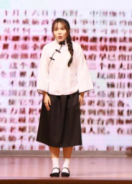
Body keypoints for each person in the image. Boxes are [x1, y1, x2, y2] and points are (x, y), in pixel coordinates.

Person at [37, 18, 93, 178]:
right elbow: (43, 72)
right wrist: (45, 94)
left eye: (62, 29)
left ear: (68, 31)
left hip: (71, 95)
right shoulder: (48, 48)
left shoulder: (76, 48)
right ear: (52, 32)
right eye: (56, 29)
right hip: (52, 96)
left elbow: (82, 70)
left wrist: (81, 93)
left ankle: (66, 166)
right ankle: (55, 166)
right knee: (53, 133)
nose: (59, 32)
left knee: (70, 133)